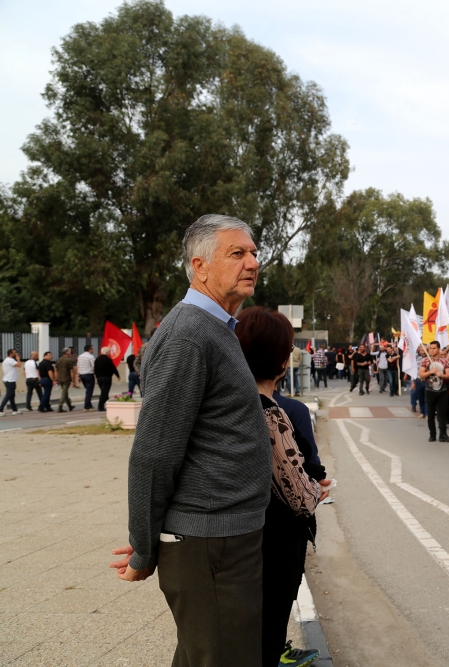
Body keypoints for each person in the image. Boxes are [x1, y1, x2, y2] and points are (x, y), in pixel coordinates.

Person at [109, 214, 274, 666]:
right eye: (237, 253)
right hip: (209, 545)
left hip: (225, 539)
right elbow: (153, 455)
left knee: (210, 655)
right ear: (199, 267)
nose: (252, 262)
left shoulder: (216, 330)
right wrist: (144, 545)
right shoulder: (188, 335)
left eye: (254, 252)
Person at [234, 306, 330, 667]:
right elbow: (304, 492)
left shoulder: (220, 407)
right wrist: (318, 487)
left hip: (231, 540)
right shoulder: (278, 413)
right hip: (276, 541)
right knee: (269, 628)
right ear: (281, 361)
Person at [420, 341, 449, 442]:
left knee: (442, 413)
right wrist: (430, 372)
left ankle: (443, 434)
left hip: (442, 390)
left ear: (439, 349)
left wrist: (441, 375)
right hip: (430, 390)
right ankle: (432, 434)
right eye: (430, 348)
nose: (431, 350)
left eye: (434, 348)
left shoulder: (445, 361)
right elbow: (421, 374)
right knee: (430, 413)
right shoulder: (425, 361)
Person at [94, 346, 120, 412]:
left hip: (99, 378)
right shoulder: (108, 360)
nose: (110, 353)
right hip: (106, 378)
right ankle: (100, 406)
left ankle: (107, 403)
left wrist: (96, 377)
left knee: (104, 392)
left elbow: (95, 369)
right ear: (106, 352)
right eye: (109, 352)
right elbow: (113, 368)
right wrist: (117, 375)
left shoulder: (97, 359)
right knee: (104, 393)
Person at [55, 347, 77, 412]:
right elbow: (71, 371)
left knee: (65, 392)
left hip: (60, 378)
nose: (70, 353)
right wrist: (73, 380)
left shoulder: (58, 360)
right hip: (66, 378)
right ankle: (60, 406)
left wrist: (56, 379)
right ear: (67, 353)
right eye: (69, 352)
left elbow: (56, 370)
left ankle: (70, 406)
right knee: (64, 393)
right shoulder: (69, 360)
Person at [0, 349, 20, 415]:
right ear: (11, 353)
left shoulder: (6, 360)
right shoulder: (10, 360)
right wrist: (18, 358)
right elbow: (19, 365)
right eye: (15, 352)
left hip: (8, 379)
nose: (16, 353)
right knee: (9, 395)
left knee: (12, 395)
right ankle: (0, 409)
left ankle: (14, 410)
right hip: (10, 380)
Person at [77, 344, 96, 411]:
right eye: (92, 349)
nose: (93, 350)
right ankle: (86, 406)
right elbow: (94, 366)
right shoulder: (91, 356)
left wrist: (78, 376)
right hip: (89, 374)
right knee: (89, 391)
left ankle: (89, 405)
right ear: (89, 349)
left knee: (88, 390)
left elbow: (78, 366)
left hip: (82, 375)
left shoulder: (80, 356)